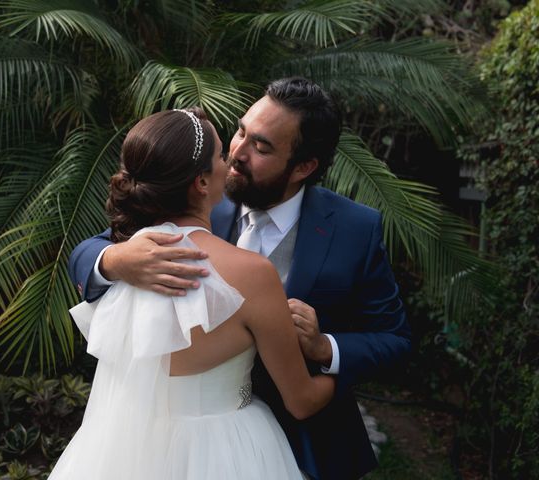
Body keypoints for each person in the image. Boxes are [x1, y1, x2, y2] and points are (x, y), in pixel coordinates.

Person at [69, 78, 411, 479]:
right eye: (239, 132)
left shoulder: (356, 228)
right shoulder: (193, 194)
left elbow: (395, 340)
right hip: (179, 446)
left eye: (261, 147)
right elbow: (87, 252)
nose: (236, 154)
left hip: (307, 446)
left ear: (304, 166)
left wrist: (325, 349)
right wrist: (116, 258)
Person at [51, 108, 335, 479]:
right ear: (202, 182)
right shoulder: (251, 274)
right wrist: (338, 363)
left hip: (125, 449)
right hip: (229, 450)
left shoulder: (133, 255)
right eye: (221, 154)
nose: (232, 158)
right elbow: (301, 401)